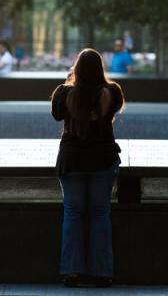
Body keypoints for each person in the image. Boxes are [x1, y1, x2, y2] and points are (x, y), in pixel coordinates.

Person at [50, 49, 124, 288]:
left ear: (77, 68)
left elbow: (56, 114)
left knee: (73, 212)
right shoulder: (112, 93)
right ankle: (102, 273)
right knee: (100, 212)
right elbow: (112, 111)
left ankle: (71, 271)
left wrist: (70, 82)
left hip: (72, 160)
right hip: (103, 159)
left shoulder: (64, 94)